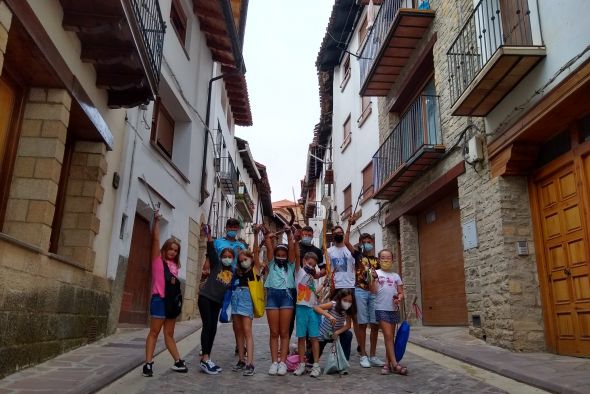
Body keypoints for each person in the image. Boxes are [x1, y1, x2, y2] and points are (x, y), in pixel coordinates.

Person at [142, 211, 188, 377]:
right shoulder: (157, 261)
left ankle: (177, 361)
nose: (173, 252)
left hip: (171, 303)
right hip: (159, 301)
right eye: (170, 249)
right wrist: (156, 222)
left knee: (169, 334)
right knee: (154, 332)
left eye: (176, 251)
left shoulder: (176, 267)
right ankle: (148, 364)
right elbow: (155, 240)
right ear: (165, 249)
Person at [197, 225, 235, 375]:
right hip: (206, 298)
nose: (226, 258)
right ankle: (204, 359)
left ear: (233, 259)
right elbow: (211, 249)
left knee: (213, 328)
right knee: (207, 326)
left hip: (217, 302)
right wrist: (209, 235)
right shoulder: (216, 265)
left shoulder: (232, 272)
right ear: (221, 258)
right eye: (224, 256)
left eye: (229, 257)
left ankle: (207, 358)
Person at [344, 228, 384, 368]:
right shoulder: (357, 255)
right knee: (362, 323)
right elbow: (346, 242)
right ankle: (363, 355)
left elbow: (381, 278)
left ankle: (373, 355)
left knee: (375, 324)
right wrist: (348, 225)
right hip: (360, 291)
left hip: (373, 293)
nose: (367, 244)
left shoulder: (377, 261)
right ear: (360, 244)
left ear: (372, 243)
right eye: (364, 242)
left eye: (369, 242)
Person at [263, 225, 296, 376]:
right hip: (272, 297)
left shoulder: (290, 265)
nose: (281, 257)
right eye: (279, 254)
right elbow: (269, 248)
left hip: (287, 297)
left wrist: (289, 234)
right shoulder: (271, 264)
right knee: (274, 332)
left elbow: (291, 250)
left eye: (284, 254)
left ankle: (282, 362)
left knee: (284, 332)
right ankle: (274, 362)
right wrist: (267, 237)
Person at [230, 227, 263, 377]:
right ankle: (241, 360)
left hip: (247, 300)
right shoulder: (237, 272)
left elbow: (256, 252)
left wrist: (255, 236)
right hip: (236, 299)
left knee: (247, 331)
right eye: (241, 260)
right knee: (238, 332)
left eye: (246, 259)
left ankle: (250, 363)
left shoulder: (254, 269)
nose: (243, 262)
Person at [371, 249, 408, 375]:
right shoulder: (376, 273)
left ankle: (387, 364)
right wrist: (374, 279)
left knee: (390, 338)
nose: (386, 260)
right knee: (387, 335)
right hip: (381, 308)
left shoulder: (396, 276)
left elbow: (401, 293)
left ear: (392, 260)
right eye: (383, 257)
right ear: (379, 260)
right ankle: (395, 364)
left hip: (393, 309)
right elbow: (373, 291)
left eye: (388, 258)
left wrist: (399, 298)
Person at [289, 226, 325, 339]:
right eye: (305, 234)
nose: (307, 237)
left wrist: (317, 274)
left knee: (310, 316)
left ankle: (309, 344)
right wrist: (294, 241)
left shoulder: (318, 251)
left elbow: (324, 269)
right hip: (294, 285)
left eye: (309, 235)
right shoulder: (297, 246)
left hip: (309, 288)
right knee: (291, 317)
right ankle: (290, 345)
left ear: (313, 235)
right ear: (301, 234)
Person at [293, 252, 322, 378]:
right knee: (301, 338)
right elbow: (296, 254)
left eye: (314, 265)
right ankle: (301, 364)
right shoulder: (299, 271)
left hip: (313, 309)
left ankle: (316, 365)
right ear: (304, 261)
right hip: (301, 308)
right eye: (309, 263)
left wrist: (322, 287)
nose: (311, 266)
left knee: (314, 338)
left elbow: (314, 292)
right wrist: (294, 239)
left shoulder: (312, 277)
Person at [314, 289, 354, 370]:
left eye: (350, 301)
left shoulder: (349, 309)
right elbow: (316, 307)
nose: (347, 303)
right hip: (323, 334)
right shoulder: (333, 304)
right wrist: (328, 315)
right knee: (312, 359)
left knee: (348, 335)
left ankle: (344, 362)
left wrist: (337, 332)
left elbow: (348, 325)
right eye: (345, 300)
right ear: (340, 299)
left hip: (336, 334)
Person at [328, 224, 356, 295]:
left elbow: (355, 267)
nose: (338, 235)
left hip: (350, 285)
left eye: (339, 233)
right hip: (335, 286)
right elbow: (327, 269)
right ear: (333, 236)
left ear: (343, 234)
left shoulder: (351, 250)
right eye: (335, 233)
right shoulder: (328, 251)